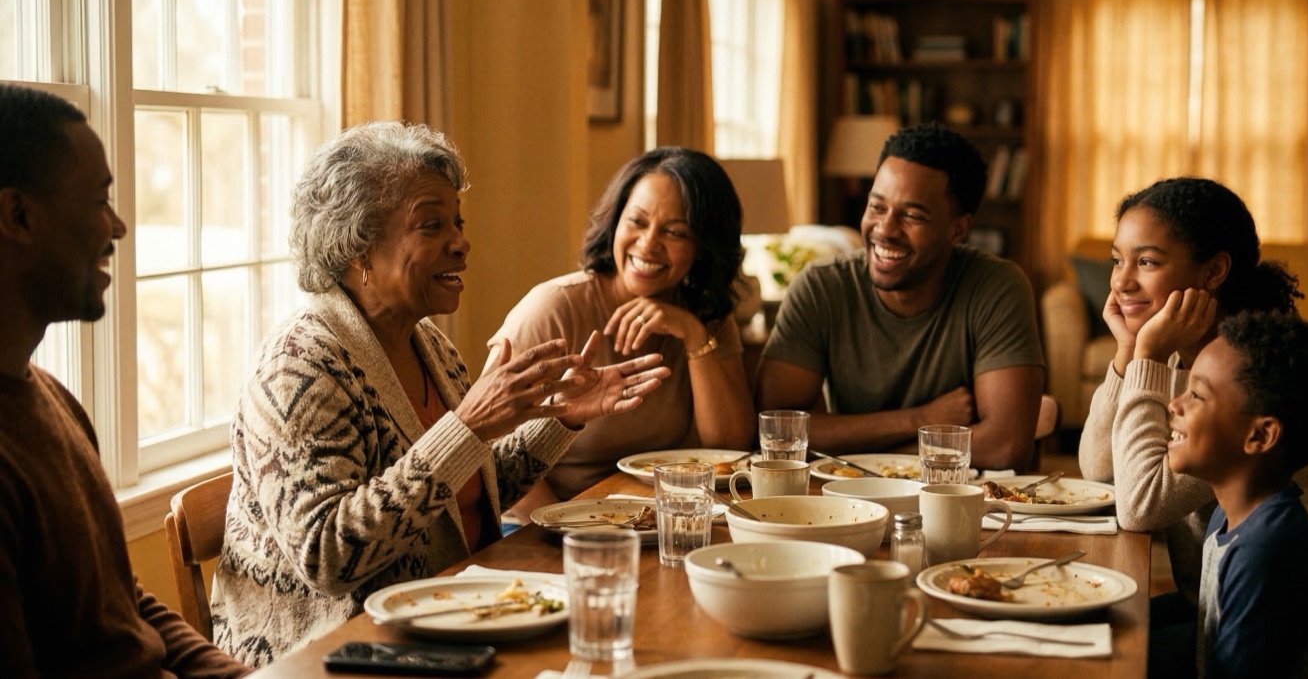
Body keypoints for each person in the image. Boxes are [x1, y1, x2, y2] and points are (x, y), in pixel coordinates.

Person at [212, 122, 671, 666]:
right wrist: (468, 426)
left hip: (454, 622)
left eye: (457, 221)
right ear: (357, 246)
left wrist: (560, 421)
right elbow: (328, 557)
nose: (461, 241)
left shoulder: (426, 342)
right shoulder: (300, 367)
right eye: (432, 225)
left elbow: (465, 493)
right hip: (338, 653)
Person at [0, 84, 250, 678]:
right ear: (17, 216)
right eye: (98, 201)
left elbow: (124, 608)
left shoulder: (52, 397)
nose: (118, 228)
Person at [1073, 177, 1308, 675]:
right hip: (1212, 599)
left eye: (1146, 261)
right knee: (1076, 625)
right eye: (1118, 259)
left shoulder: (1237, 385)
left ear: (1213, 272)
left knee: (1093, 659)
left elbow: (1138, 507)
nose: (1120, 281)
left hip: (1262, 606)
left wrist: (1150, 354)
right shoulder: (1184, 357)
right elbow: (1101, 474)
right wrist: (1128, 355)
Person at [754, 121, 1044, 470]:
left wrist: (867, 453)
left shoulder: (997, 287)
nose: (885, 230)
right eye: (877, 207)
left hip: (960, 505)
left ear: (957, 229)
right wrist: (922, 420)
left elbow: (1004, 447)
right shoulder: (820, 288)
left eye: (911, 215)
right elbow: (777, 432)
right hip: (847, 498)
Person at [490, 146, 755, 512]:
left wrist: (693, 334)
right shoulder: (554, 307)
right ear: (616, 221)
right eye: (637, 222)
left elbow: (730, 446)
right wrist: (557, 530)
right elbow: (488, 450)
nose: (648, 245)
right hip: (550, 522)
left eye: (675, 232)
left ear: (704, 247)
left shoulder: (707, 316)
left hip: (658, 518)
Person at [1166, 310, 1308, 678]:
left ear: (1261, 436)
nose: (1175, 404)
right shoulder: (1234, 514)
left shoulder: (1270, 547)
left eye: (1197, 395)